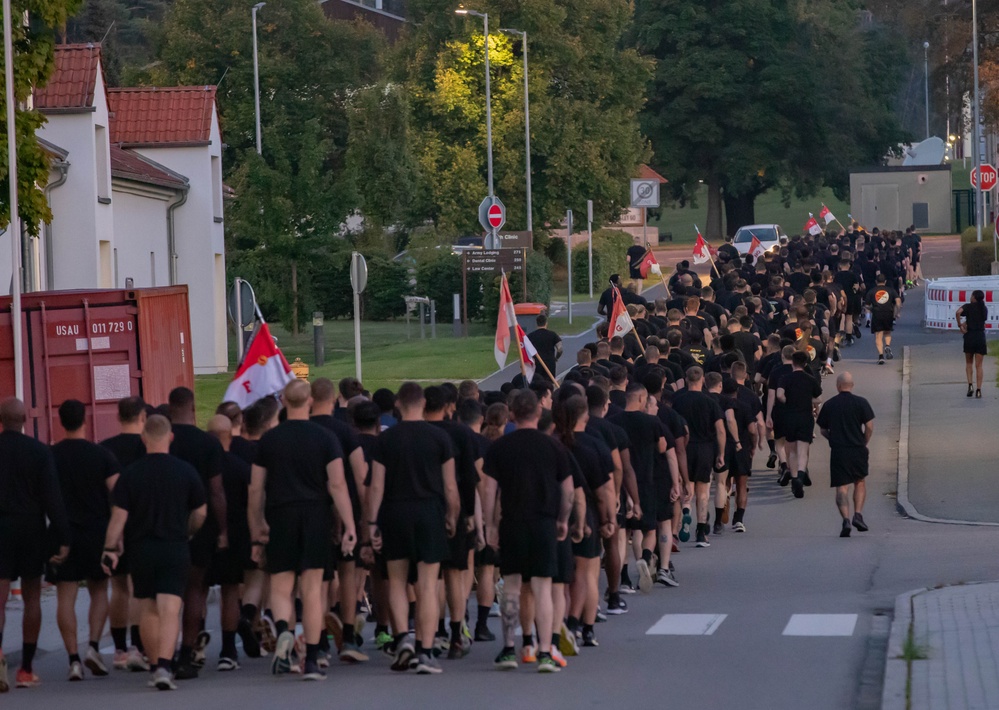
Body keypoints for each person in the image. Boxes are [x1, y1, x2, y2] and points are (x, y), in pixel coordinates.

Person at [249, 379, 357, 681]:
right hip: (315, 516)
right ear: (309, 401)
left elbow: (255, 489)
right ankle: (311, 659)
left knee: (282, 588)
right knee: (311, 591)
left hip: (280, 515)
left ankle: (283, 633)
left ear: (283, 401)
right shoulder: (325, 438)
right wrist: (349, 524)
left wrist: (257, 526)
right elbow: (337, 485)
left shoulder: (269, 440)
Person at [101, 414, 207, 691]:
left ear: (144, 438)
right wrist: (189, 530)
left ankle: (153, 665)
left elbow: (118, 518)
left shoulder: (131, 475)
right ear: (170, 437)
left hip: (141, 549)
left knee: (148, 607)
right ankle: (164, 664)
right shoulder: (185, 471)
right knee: (170, 609)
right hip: (175, 546)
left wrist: (110, 548)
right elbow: (200, 511)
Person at [366, 382, 459, 675]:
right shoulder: (440, 438)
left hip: (395, 512)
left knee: (396, 581)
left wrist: (371, 523)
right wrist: (452, 515)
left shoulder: (385, 440)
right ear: (422, 404)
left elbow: (376, 486)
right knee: (428, 585)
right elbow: (450, 486)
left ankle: (402, 637)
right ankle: (425, 650)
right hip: (429, 511)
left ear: (398, 405)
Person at [481, 389, 573, 673]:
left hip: (512, 522)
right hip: (544, 521)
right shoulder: (555, 447)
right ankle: (545, 651)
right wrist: (563, 519)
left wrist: (490, 525)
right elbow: (568, 490)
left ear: (511, 414)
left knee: (511, 587)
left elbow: (488, 489)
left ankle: (510, 648)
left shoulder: (500, 447)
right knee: (542, 588)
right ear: (537, 413)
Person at [0, 397, 70, 691]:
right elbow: (52, 498)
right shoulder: (40, 453)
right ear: (25, 420)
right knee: (31, 598)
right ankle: (26, 669)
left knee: (0, 598)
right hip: (31, 528)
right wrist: (63, 537)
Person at [49, 400, 120, 681]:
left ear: (61, 421)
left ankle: (73, 659)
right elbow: (117, 493)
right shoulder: (102, 455)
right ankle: (92, 646)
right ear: (85, 420)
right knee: (100, 590)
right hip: (96, 531)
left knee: (65, 596)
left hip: (62, 532)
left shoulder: (50, 456)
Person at [166, 387, 227, 680]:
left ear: (170, 407)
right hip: (200, 525)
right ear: (192, 408)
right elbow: (216, 491)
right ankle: (188, 652)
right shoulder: (208, 444)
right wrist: (223, 528)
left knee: (164, 594)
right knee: (194, 589)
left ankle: (161, 653)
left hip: (163, 524)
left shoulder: (160, 441)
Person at [309, 378, 370, 663]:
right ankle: (347, 636)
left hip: (315, 513)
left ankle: (318, 640)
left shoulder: (304, 431)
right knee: (348, 574)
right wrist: (366, 517)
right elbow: (360, 476)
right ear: (334, 398)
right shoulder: (345, 432)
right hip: (348, 511)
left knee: (319, 579)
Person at [99, 396, 149, 671]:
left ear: (118, 417)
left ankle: (118, 648)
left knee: (118, 588)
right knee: (138, 589)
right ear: (143, 417)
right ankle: (138, 646)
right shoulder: (148, 447)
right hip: (141, 524)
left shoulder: (106, 449)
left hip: (112, 524)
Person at [205, 415, 256, 670]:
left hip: (203, 536)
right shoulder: (240, 466)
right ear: (229, 436)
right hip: (234, 537)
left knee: (196, 591)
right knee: (230, 592)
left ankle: (194, 646)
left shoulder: (199, 468)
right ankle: (227, 650)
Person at [671, 368, 725, 548]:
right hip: (704, 448)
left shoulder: (678, 401)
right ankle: (701, 532)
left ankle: (679, 522)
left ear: (686, 379)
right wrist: (721, 453)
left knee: (684, 487)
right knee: (703, 492)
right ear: (702, 380)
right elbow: (720, 429)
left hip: (683, 448)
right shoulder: (710, 402)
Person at [817, 373, 875, 537]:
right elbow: (869, 426)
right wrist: (864, 441)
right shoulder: (861, 403)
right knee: (860, 481)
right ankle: (858, 514)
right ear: (852, 385)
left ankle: (846, 520)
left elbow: (822, 429)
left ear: (838, 386)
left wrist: (833, 438)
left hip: (839, 451)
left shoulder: (830, 405)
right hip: (857, 449)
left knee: (841, 487)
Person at [776, 351, 822, 499]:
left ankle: (794, 476)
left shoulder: (785, 378)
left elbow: (779, 395)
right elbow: (818, 399)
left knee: (792, 450)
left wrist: (786, 401)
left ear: (793, 363)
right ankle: (800, 476)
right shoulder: (810, 379)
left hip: (789, 416)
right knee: (803, 448)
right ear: (806, 363)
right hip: (805, 416)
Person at [957, 290, 988, 398]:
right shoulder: (983, 309)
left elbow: (958, 312)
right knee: (979, 366)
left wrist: (960, 324)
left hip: (969, 336)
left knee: (969, 363)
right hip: (980, 337)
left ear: (974, 297)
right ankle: (979, 390)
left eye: (971, 295)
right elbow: (979, 320)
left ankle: (970, 385)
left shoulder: (968, 307)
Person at [864, 274, 900, 365]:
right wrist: (896, 312)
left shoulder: (872, 291)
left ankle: (881, 356)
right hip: (889, 313)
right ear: (885, 281)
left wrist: (871, 310)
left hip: (877, 314)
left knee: (878, 335)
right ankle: (887, 346)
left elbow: (867, 305)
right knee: (887, 332)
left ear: (876, 282)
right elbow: (898, 302)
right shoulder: (891, 290)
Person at [528, 313, 563, 382]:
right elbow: (560, 349)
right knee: (549, 383)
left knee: (537, 383)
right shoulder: (552, 335)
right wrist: (556, 358)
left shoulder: (531, 336)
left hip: (536, 364)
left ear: (537, 323)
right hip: (550, 363)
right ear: (546, 323)